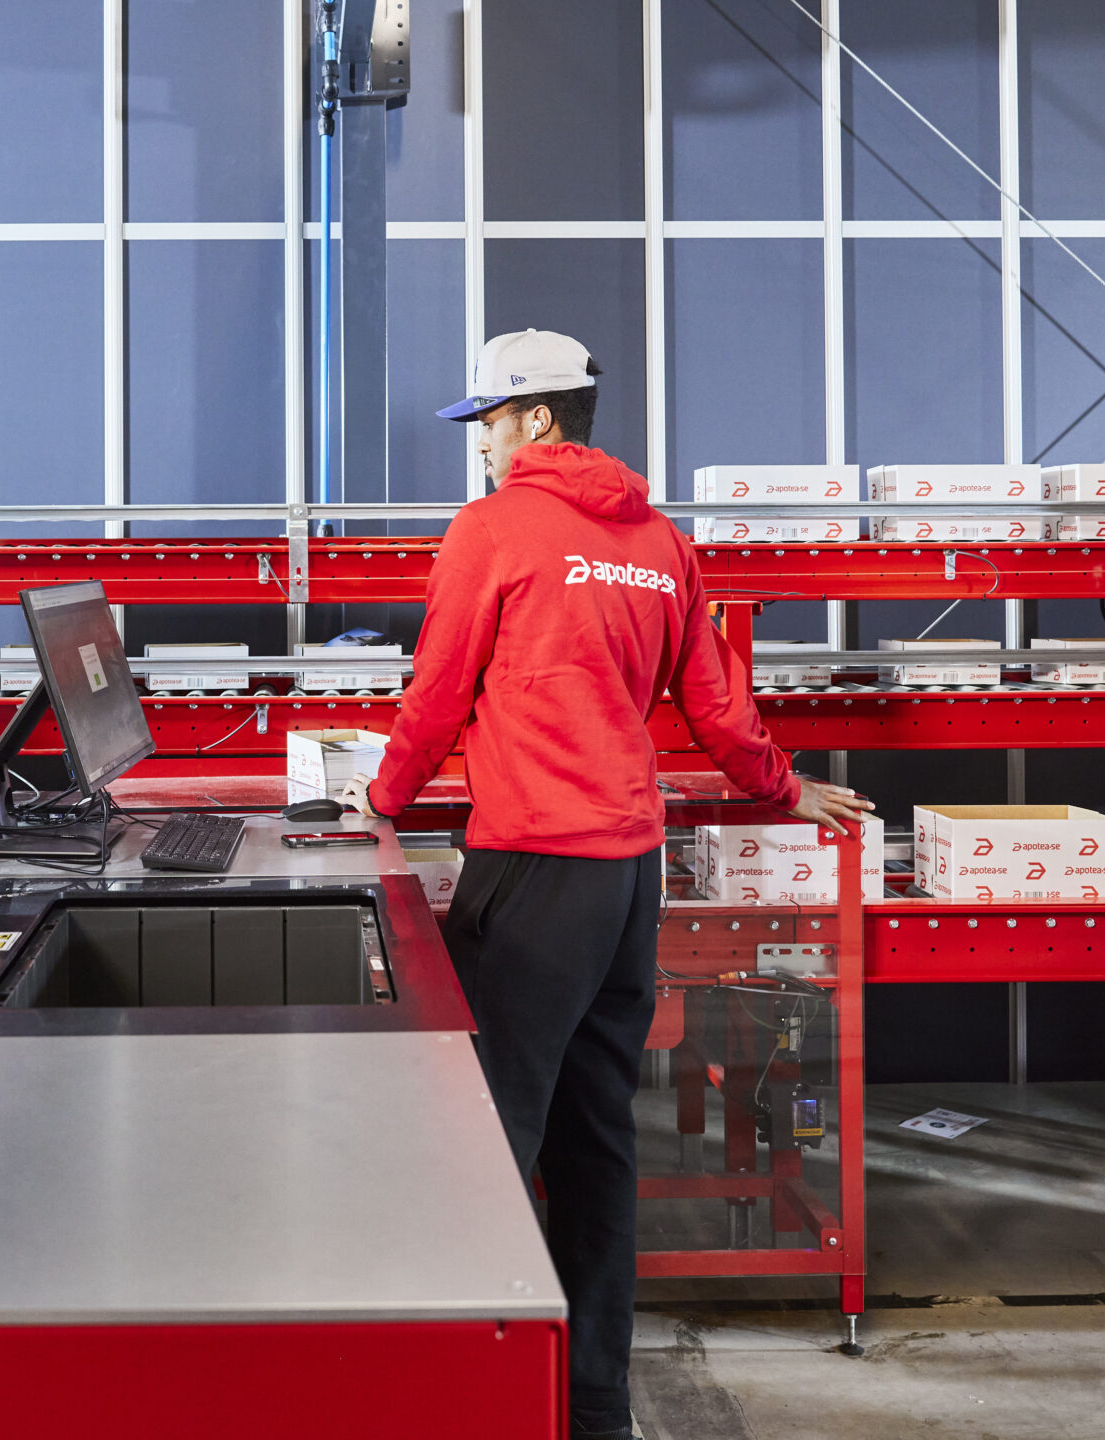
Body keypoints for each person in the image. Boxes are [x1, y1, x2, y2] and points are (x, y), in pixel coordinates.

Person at [344, 328, 871, 1440]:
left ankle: (475, 1409)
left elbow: (435, 694)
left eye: (486, 422)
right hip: (627, 881)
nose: (479, 443)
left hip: (534, 875)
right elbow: (717, 708)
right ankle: (591, 1413)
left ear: (535, 420)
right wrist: (781, 788)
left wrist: (375, 806)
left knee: (487, 1149)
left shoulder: (491, 530)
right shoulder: (658, 542)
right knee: (597, 1147)